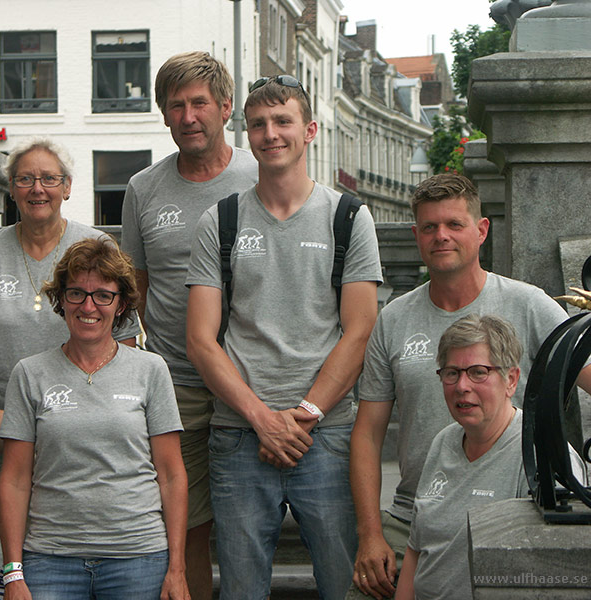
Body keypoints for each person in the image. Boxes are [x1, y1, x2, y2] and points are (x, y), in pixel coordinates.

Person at [349, 172, 591, 600]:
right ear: (417, 236)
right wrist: (371, 534)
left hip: (508, 508)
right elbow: (368, 433)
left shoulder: (528, 304)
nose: (441, 236)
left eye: (454, 225)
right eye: (429, 227)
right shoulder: (394, 319)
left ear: (481, 231)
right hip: (416, 513)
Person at [185, 76, 382, 599]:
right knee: (242, 590)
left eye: (283, 121)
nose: (270, 134)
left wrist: (303, 416)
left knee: (345, 586)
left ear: (310, 130)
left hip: (328, 434)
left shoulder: (348, 217)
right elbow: (201, 340)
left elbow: (360, 331)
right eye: (258, 125)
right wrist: (261, 419)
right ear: (246, 133)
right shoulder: (220, 220)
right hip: (239, 433)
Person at [120, 50, 257, 599]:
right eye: (175, 106)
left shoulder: (260, 172)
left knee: (251, 531)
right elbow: (134, 285)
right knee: (187, 528)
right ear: (164, 115)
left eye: (199, 103)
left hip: (257, 377)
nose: (188, 116)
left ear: (225, 108)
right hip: (179, 384)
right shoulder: (143, 189)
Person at [0, 138, 140, 534]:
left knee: (71, 555)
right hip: (1, 434)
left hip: (79, 434)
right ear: (11, 188)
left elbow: (123, 341)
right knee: (11, 554)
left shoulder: (96, 245)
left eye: (49, 179)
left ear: (68, 187)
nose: (37, 189)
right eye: (25, 179)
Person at [0, 237, 190, 600]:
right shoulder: (29, 374)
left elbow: (172, 474)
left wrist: (176, 568)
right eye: (76, 294)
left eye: (103, 295)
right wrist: (13, 572)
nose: (89, 306)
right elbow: (15, 479)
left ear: (121, 305)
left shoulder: (151, 370)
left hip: (138, 559)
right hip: (50, 559)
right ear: (61, 299)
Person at [395, 314, 587, 600]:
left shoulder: (542, 458)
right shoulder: (443, 443)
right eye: (451, 372)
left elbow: (560, 570)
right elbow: (417, 549)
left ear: (511, 379)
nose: (462, 386)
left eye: (477, 372)